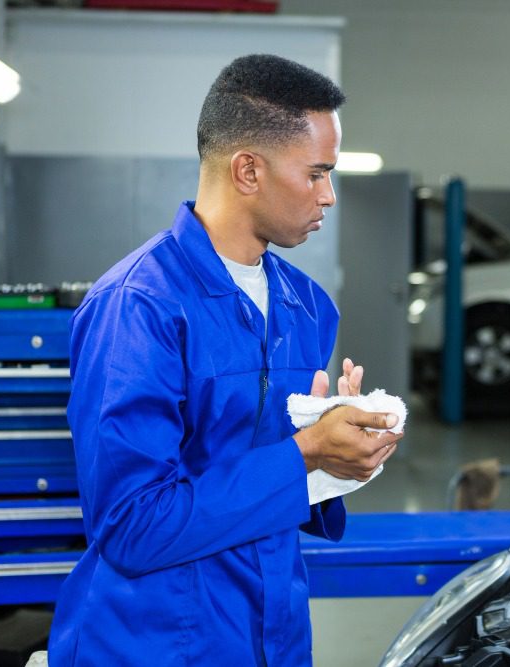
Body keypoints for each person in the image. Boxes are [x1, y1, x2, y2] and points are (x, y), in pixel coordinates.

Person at [47, 54, 403, 666]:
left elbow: (270, 477)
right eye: (317, 173)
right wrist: (306, 453)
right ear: (247, 170)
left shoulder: (305, 306)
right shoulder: (139, 307)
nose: (330, 195)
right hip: (156, 642)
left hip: (272, 634)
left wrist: (340, 456)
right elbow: (132, 525)